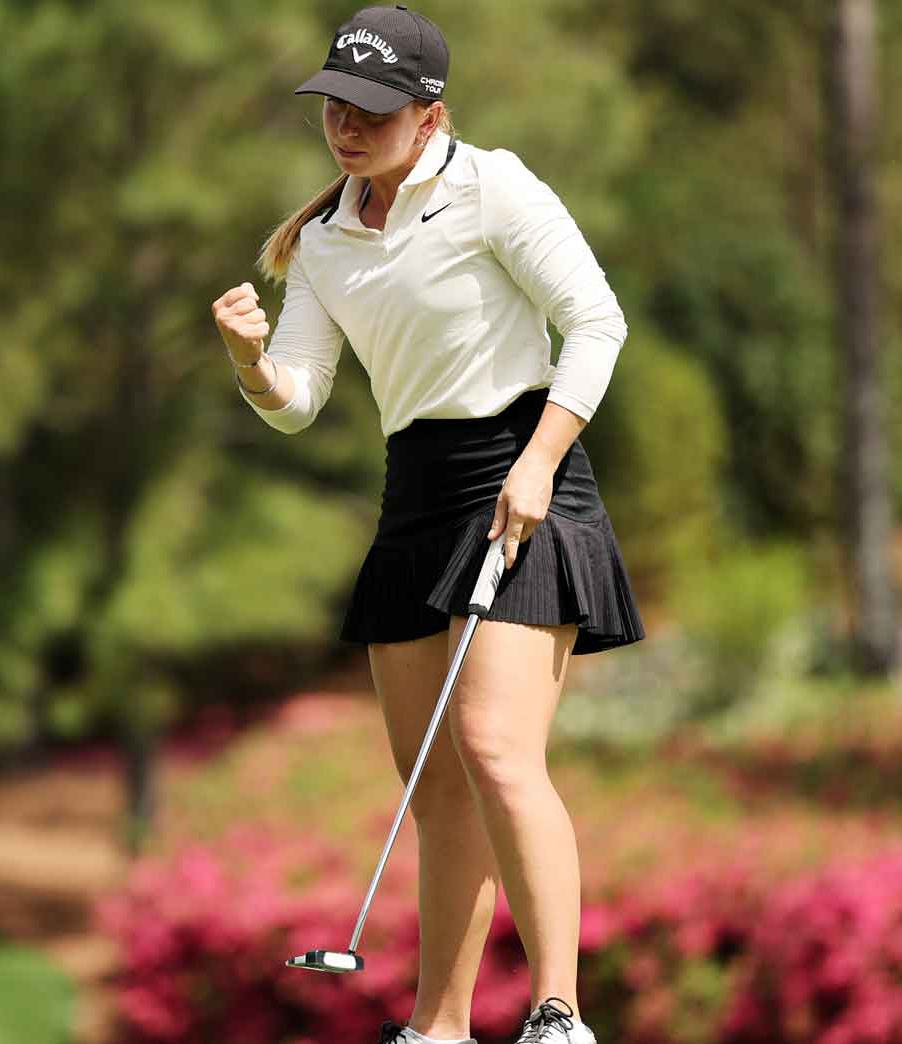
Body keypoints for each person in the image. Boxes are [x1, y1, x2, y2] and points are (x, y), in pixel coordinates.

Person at [210, 6, 646, 1044]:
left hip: (521, 473)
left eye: (372, 110)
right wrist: (248, 360)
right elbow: (300, 396)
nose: (347, 127)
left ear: (430, 115)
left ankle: (558, 1015)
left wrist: (539, 460)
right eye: (336, 107)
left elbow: (596, 322)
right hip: (414, 495)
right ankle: (438, 1027)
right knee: (435, 785)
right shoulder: (321, 241)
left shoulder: (494, 187)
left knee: (494, 750)